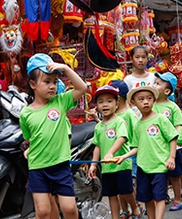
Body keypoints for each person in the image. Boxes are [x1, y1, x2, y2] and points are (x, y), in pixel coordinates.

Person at [19, 54, 87, 219]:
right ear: (33, 84)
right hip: (38, 168)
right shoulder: (26, 114)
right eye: (47, 81)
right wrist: (29, 150)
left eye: (55, 82)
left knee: (69, 208)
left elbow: (82, 88)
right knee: (42, 211)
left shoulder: (60, 102)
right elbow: (30, 138)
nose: (52, 86)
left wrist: (65, 68)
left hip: (60, 165)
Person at [117, 86, 178, 219]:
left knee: (159, 197)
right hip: (143, 167)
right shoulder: (138, 125)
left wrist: (171, 157)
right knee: (147, 198)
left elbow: (172, 137)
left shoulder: (160, 119)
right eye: (141, 99)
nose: (145, 102)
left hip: (160, 166)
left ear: (154, 100)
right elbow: (136, 147)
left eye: (149, 98)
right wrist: (123, 156)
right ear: (133, 103)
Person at [88, 85, 141, 219]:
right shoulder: (98, 127)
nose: (105, 105)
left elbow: (122, 138)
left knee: (126, 192)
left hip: (121, 164)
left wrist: (111, 152)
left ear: (117, 104)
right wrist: (94, 164)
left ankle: (135, 208)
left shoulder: (119, 122)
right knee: (111, 195)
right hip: (107, 168)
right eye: (101, 102)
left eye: (109, 101)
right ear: (97, 106)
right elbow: (97, 146)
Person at [152, 72, 182, 211]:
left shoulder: (172, 107)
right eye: (155, 82)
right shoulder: (151, 105)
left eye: (158, 84)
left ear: (167, 91)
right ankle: (164, 195)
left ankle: (178, 198)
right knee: (161, 173)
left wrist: (176, 140)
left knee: (175, 174)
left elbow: (179, 125)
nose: (154, 85)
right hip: (156, 146)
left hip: (172, 147)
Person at [110, 79, 144, 218]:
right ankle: (125, 210)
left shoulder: (129, 114)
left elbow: (138, 131)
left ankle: (136, 206)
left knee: (129, 184)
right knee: (120, 187)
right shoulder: (113, 115)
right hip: (115, 154)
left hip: (130, 152)